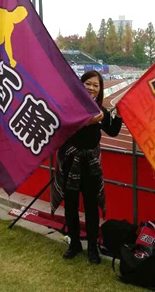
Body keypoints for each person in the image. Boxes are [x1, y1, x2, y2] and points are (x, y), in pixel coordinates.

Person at [51, 70, 122, 264]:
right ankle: (74, 244)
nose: (91, 88)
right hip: (70, 163)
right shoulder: (69, 106)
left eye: (96, 85)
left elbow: (113, 131)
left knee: (91, 207)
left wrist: (119, 115)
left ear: (100, 90)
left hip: (90, 166)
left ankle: (92, 247)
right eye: (88, 83)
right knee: (71, 206)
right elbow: (63, 125)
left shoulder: (100, 111)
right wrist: (90, 120)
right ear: (81, 85)